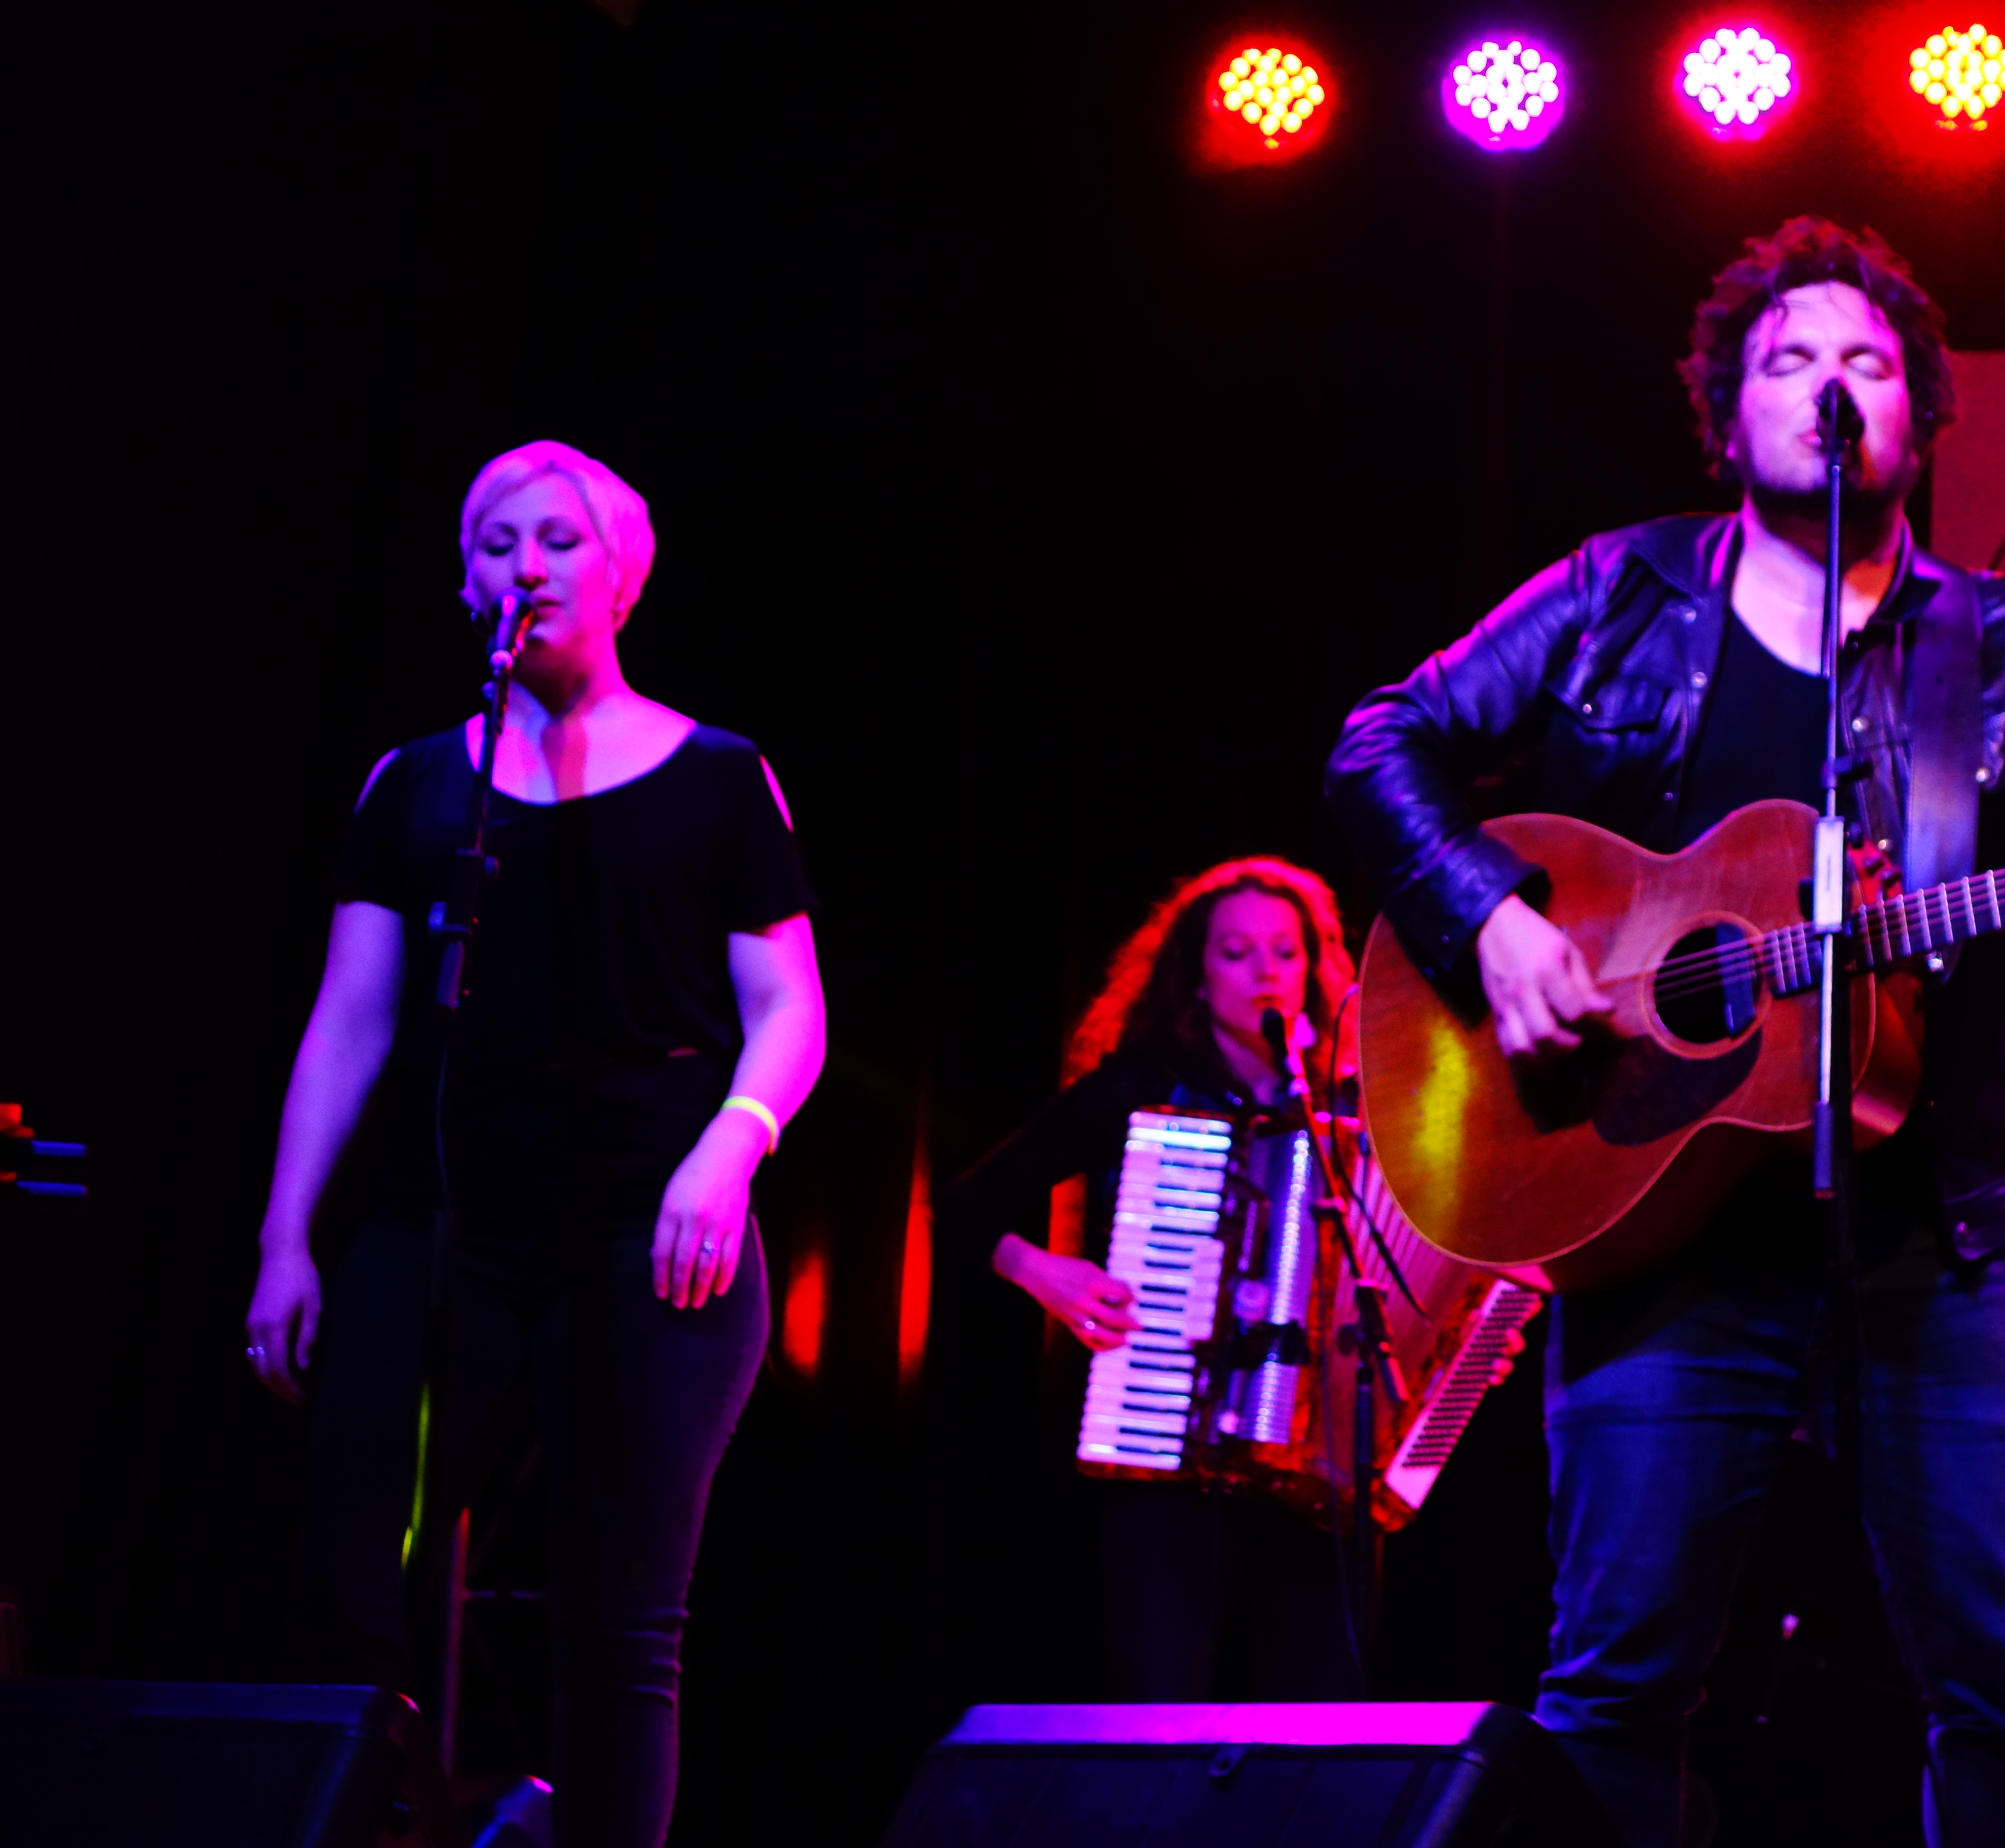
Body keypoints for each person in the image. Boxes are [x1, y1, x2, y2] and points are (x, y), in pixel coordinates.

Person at [1323, 218, 2005, 1848]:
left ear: (1918, 414)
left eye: (1868, 363)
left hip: (1940, 1243)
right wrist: (1496, 920)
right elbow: (1380, 742)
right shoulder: (1615, 595)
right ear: (1727, 407)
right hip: (1655, 1235)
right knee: (1617, 1686)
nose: (1832, 385)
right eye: (1791, 359)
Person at [243, 439, 825, 1847]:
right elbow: (351, 1018)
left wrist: (730, 1146)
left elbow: (789, 1008)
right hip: (443, 1216)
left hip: (650, 1228)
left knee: (617, 1622)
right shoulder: (417, 784)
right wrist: (285, 1238)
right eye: (498, 542)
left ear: (622, 576)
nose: (528, 566)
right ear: (467, 583)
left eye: (560, 540)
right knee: (350, 1589)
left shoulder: (719, 776)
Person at [942, 857, 1370, 1702]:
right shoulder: (1143, 1088)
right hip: (1168, 1445)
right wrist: (1044, 1272)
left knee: (1315, 1722)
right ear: (1197, 975)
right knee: (1161, 1711)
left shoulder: (1354, 1103)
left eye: (1285, 952)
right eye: (1237, 952)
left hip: (1316, 1476)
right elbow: (966, 1207)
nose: (1265, 972)